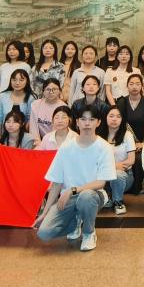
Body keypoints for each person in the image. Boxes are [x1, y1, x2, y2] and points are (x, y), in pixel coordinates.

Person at [36, 104, 116, 252]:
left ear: (98, 122)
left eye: (91, 119)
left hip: (93, 195)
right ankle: (76, 222)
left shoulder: (104, 147)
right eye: (83, 119)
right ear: (77, 122)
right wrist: (45, 213)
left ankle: (89, 233)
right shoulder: (66, 147)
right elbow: (56, 182)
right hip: (68, 198)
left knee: (86, 197)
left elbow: (101, 183)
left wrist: (73, 190)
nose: (87, 123)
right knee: (44, 232)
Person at [115, 74, 144, 193]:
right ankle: (125, 185)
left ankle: (139, 187)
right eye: (131, 84)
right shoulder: (122, 102)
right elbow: (119, 124)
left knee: (140, 157)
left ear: (142, 86)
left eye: (137, 84)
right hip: (125, 140)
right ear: (127, 86)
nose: (134, 87)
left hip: (142, 139)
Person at [96, 106, 135, 215]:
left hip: (124, 175)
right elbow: (95, 160)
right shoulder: (98, 136)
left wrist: (115, 168)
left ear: (122, 119)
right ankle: (107, 196)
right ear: (105, 117)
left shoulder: (127, 135)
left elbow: (131, 160)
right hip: (102, 175)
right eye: (111, 116)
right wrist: (113, 166)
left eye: (118, 116)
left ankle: (118, 201)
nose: (114, 119)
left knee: (117, 174)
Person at [0, 69, 34, 143]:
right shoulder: (2, 96)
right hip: (4, 137)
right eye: (14, 80)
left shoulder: (31, 98)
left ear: (27, 81)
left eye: (21, 80)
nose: (17, 83)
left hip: (23, 138)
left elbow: (30, 120)